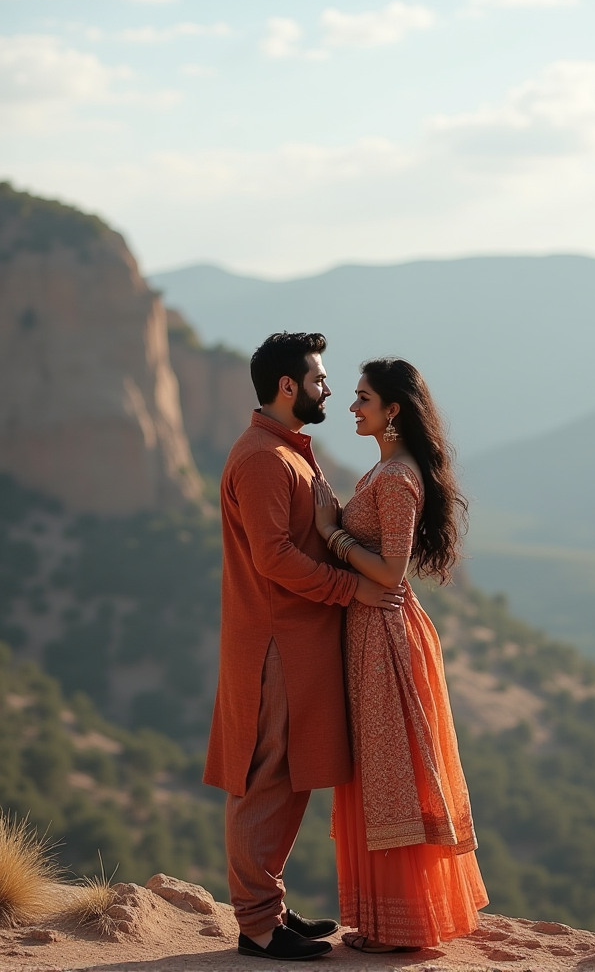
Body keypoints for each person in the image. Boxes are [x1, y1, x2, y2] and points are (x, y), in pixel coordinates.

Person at [203, 333, 405, 963]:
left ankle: (270, 906)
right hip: (274, 646)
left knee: (287, 779)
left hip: (293, 644)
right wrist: (352, 590)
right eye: (318, 379)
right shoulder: (265, 459)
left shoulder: (286, 451)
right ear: (287, 387)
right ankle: (258, 928)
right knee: (266, 779)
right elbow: (275, 558)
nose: (327, 389)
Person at [313, 357, 489, 953]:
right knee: (383, 771)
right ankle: (388, 922)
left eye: (362, 398)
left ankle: (400, 928)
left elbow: (389, 572)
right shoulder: (387, 468)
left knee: (391, 775)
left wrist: (331, 533)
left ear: (393, 410)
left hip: (383, 632)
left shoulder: (393, 477)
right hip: (372, 630)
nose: (352, 407)